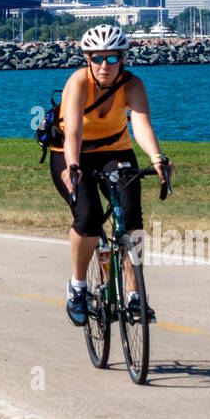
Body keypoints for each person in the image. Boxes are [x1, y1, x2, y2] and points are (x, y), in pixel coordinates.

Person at [49, 23, 172, 327]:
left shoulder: (133, 85)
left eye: (113, 59)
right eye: (97, 58)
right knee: (88, 218)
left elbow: (141, 125)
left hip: (115, 151)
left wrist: (157, 158)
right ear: (87, 60)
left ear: (123, 59)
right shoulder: (78, 83)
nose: (105, 66)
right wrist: (74, 166)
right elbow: (73, 131)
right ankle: (78, 288)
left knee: (132, 221)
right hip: (70, 152)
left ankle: (134, 295)